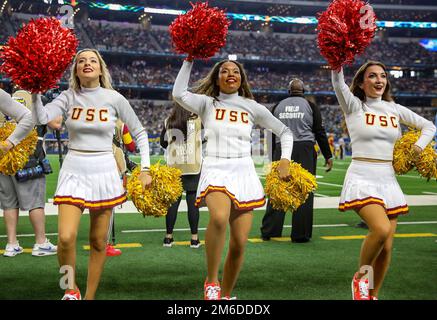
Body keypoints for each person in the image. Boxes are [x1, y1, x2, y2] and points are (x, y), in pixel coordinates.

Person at [31, 49, 152, 300]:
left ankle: (88, 296)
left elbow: (140, 133)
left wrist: (146, 168)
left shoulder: (114, 98)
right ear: (76, 69)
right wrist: (35, 90)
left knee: (98, 242)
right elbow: (41, 116)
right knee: (65, 238)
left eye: (92, 61)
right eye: (81, 61)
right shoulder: (68, 96)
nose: (87, 64)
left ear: (100, 68)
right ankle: (70, 289)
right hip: (74, 168)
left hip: (104, 171)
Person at [173, 58, 294, 300]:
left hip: (243, 170)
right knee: (218, 218)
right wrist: (189, 59)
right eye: (224, 71)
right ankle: (211, 282)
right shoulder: (208, 103)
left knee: (239, 242)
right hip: (216, 165)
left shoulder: (251, 106)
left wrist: (285, 159)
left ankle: (225, 296)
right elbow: (179, 93)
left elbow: (285, 131)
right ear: (216, 79)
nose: (230, 74)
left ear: (242, 78)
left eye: (235, 71)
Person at [332, 61, 436, 300]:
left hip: (388, 180)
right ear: (361, 82)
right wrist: (337, 60)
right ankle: (360, 278)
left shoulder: (394, 108)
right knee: (380, 229)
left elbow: (429, 126)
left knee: (387, 246)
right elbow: (338, 82)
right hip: (362, 176)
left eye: (383, 76)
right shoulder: (354, 106)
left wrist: (418, 147)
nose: (379, 80)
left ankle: (372, 295)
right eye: (372, 76)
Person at [260, 78, 333, 243]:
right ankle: (301, 234)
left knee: (278, 188)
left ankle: (270, 231)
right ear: (304, 91)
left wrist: (272, 158)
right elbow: (319, 131)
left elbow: (270, 132)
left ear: (288, 91)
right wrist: (328, 155)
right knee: (303, 190)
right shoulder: (311, 106)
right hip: (304, 148)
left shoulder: (277, 106)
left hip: (281, 148)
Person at [1, 90, 61, 257]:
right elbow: (56, 124)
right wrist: (53, 103)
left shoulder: (9, 96)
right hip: (28, 155)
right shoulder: (37, 98)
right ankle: (41, 242)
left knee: (9, 203)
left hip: (5, 157)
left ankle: (11, 244)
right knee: (35, 202)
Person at [160, 103, 202, 249]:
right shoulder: (198, 120)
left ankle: (168, 237)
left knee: (173, 204)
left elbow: (163, 143)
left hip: (174, 168)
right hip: (193, 167)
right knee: (193, 204)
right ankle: (194, 239)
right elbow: (205, 138)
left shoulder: (169, 121)